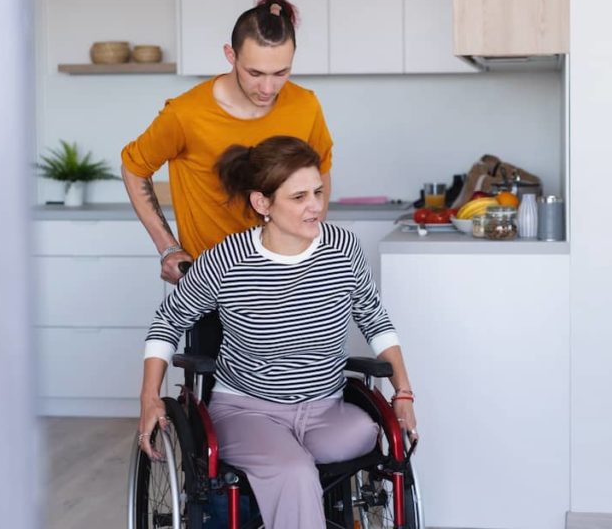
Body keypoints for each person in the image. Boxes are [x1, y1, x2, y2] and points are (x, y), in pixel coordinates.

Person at [136, 136, 417, 529]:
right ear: (262, 204)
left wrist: (402, 391)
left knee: (367, 434)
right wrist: (149, 397)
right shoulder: (228, 259)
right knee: (294, 471)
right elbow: (168, 320)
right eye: (299, 196)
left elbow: (373, 316)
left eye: (317, 192)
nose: (315, 206)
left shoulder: (343, 248)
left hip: (324, 409)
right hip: (247, 410)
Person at [121, 0, 333, 284]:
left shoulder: (306, 105)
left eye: (281, 72)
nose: (268, 88)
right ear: (231, 56)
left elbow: (320, 171)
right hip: (212, 281)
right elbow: (134, 168)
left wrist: (311, 237)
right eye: (255, 73)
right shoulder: (186, 114)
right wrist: (168, 248)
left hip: (289, 277)